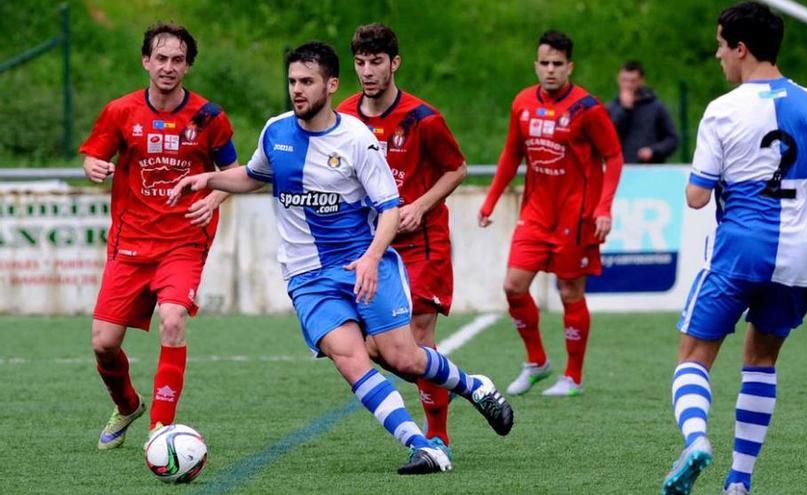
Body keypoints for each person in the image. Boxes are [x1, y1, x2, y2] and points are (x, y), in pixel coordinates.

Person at [168, 41, 513, 475]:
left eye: (307, 82)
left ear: (331, 85)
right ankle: (423, 445)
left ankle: (474, 386)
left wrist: (371, 258)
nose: (297, 90)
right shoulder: (275, 131)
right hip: (307, 276)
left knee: (404, 357)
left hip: (362, 263)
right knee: (351, 359)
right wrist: (210, 180)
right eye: (293, 81)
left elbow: (388, 208)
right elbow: (254, 175)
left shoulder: (357, 140)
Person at [660, 3, 807, 494]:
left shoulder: (723, 109)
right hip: (799, 258)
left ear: (741, 48)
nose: (718, 55)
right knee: (760, 363)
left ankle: (696, 440)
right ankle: (739, 482)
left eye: (721, 45)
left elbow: (696, 197)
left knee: (692, 358)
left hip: (742, 250)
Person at [80, 23, 239, 450]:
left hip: (184, 241)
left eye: (178, 60)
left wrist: (215, 198)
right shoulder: (121, 111)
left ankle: (161, 430)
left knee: (173, 318)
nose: (168, 67)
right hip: (130, 242)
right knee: (103, 344)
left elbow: (235, 174)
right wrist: (93, 167)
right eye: (161, 58)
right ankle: (129, 405)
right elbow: (95, 155)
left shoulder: (209, 117)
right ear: (146, 61)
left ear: (188, 66)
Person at [337, 23, 467, 451]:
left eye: (376, 62)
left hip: (422, 243)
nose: (368, 71)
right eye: (360, 63)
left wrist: (419, 205)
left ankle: (438, 436)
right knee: (375, 349)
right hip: (374, 247)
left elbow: (457, 169)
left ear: (395, 63)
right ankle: (463, 383)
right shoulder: (345, 116)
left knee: (417, 338)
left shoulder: (423, 119)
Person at [478, 30, 623, 397]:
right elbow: (512, 154)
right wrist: (491, 199)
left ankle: (572, 376)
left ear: (569, 67)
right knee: (513, 286)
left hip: (575, 218)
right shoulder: (523, 103)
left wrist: (603, 208)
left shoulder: (587, 108)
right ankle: (537, 362)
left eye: (558, 64)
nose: (551, 70)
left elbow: (614, 156)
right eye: (545, 63)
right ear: (536, 65)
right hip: (535, 215)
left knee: (570, 292)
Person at [605, 60, 679, 163]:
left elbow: (672, 139)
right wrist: (625, 110)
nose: (628, 85)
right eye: (624, 80)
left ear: (641, 81)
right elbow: (607, 141)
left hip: (650, 170)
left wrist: (653, 151)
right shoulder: (611, 108)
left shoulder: (655, 107)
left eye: (632, 81)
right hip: (622, 169)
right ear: (618, 79)